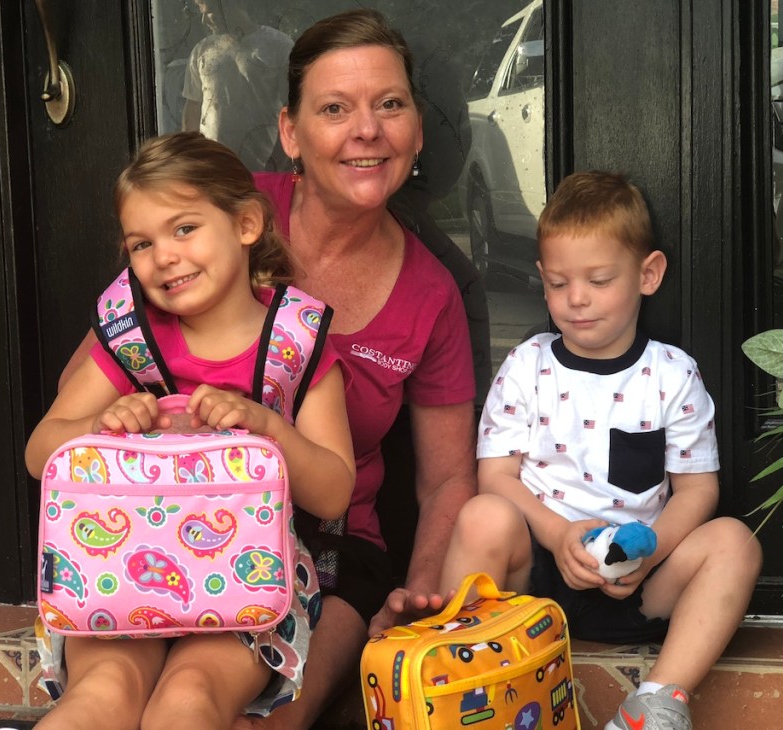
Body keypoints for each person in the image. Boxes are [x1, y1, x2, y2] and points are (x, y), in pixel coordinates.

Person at [57, 11, 479, 728]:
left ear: (417, 129)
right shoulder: (204, 218)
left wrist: (413, 599)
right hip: (155, 520)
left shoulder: (437, 290)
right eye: (335, 109)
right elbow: (80, 400)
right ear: (291, 132)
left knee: (255, 716)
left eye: (390, 105)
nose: (367, 130)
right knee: (110, 696)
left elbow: (444, 479)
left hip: (329, 546)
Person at [27, 132, 356, 730]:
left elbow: (334, 493)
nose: (164, 256)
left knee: (188, 700)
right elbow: (39, 451)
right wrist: (99, 427)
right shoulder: (130, 342)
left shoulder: (294, 349)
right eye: (142, 243)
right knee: (101, 695)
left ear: (246, 224)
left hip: (245, 591)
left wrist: (267, 427)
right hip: (117, 573)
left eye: (184, 229)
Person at [439, 170, 762, 730]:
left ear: (648, 274)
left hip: (639, 583)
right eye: (559, 283)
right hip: (535, 582)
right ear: (541, 279)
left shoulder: (672, 376)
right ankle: (458, 681)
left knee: (734, 543)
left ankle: (656, 704)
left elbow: (698, 490)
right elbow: (495, 478)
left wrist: (652, 551)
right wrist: (558, 534)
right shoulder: (527, 367)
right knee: (481, 516)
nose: (577, 299)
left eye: (598, 280)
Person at [182, 0, 293, 170]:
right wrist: (191, 159)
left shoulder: (279, 47)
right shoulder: (202, 50)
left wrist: (278, 160)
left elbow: (293, 109)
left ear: (230, 5)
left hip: (263, 167)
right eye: (201, 12)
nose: (204, 20)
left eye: (209, 12)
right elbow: (193, 108)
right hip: (213, 170)